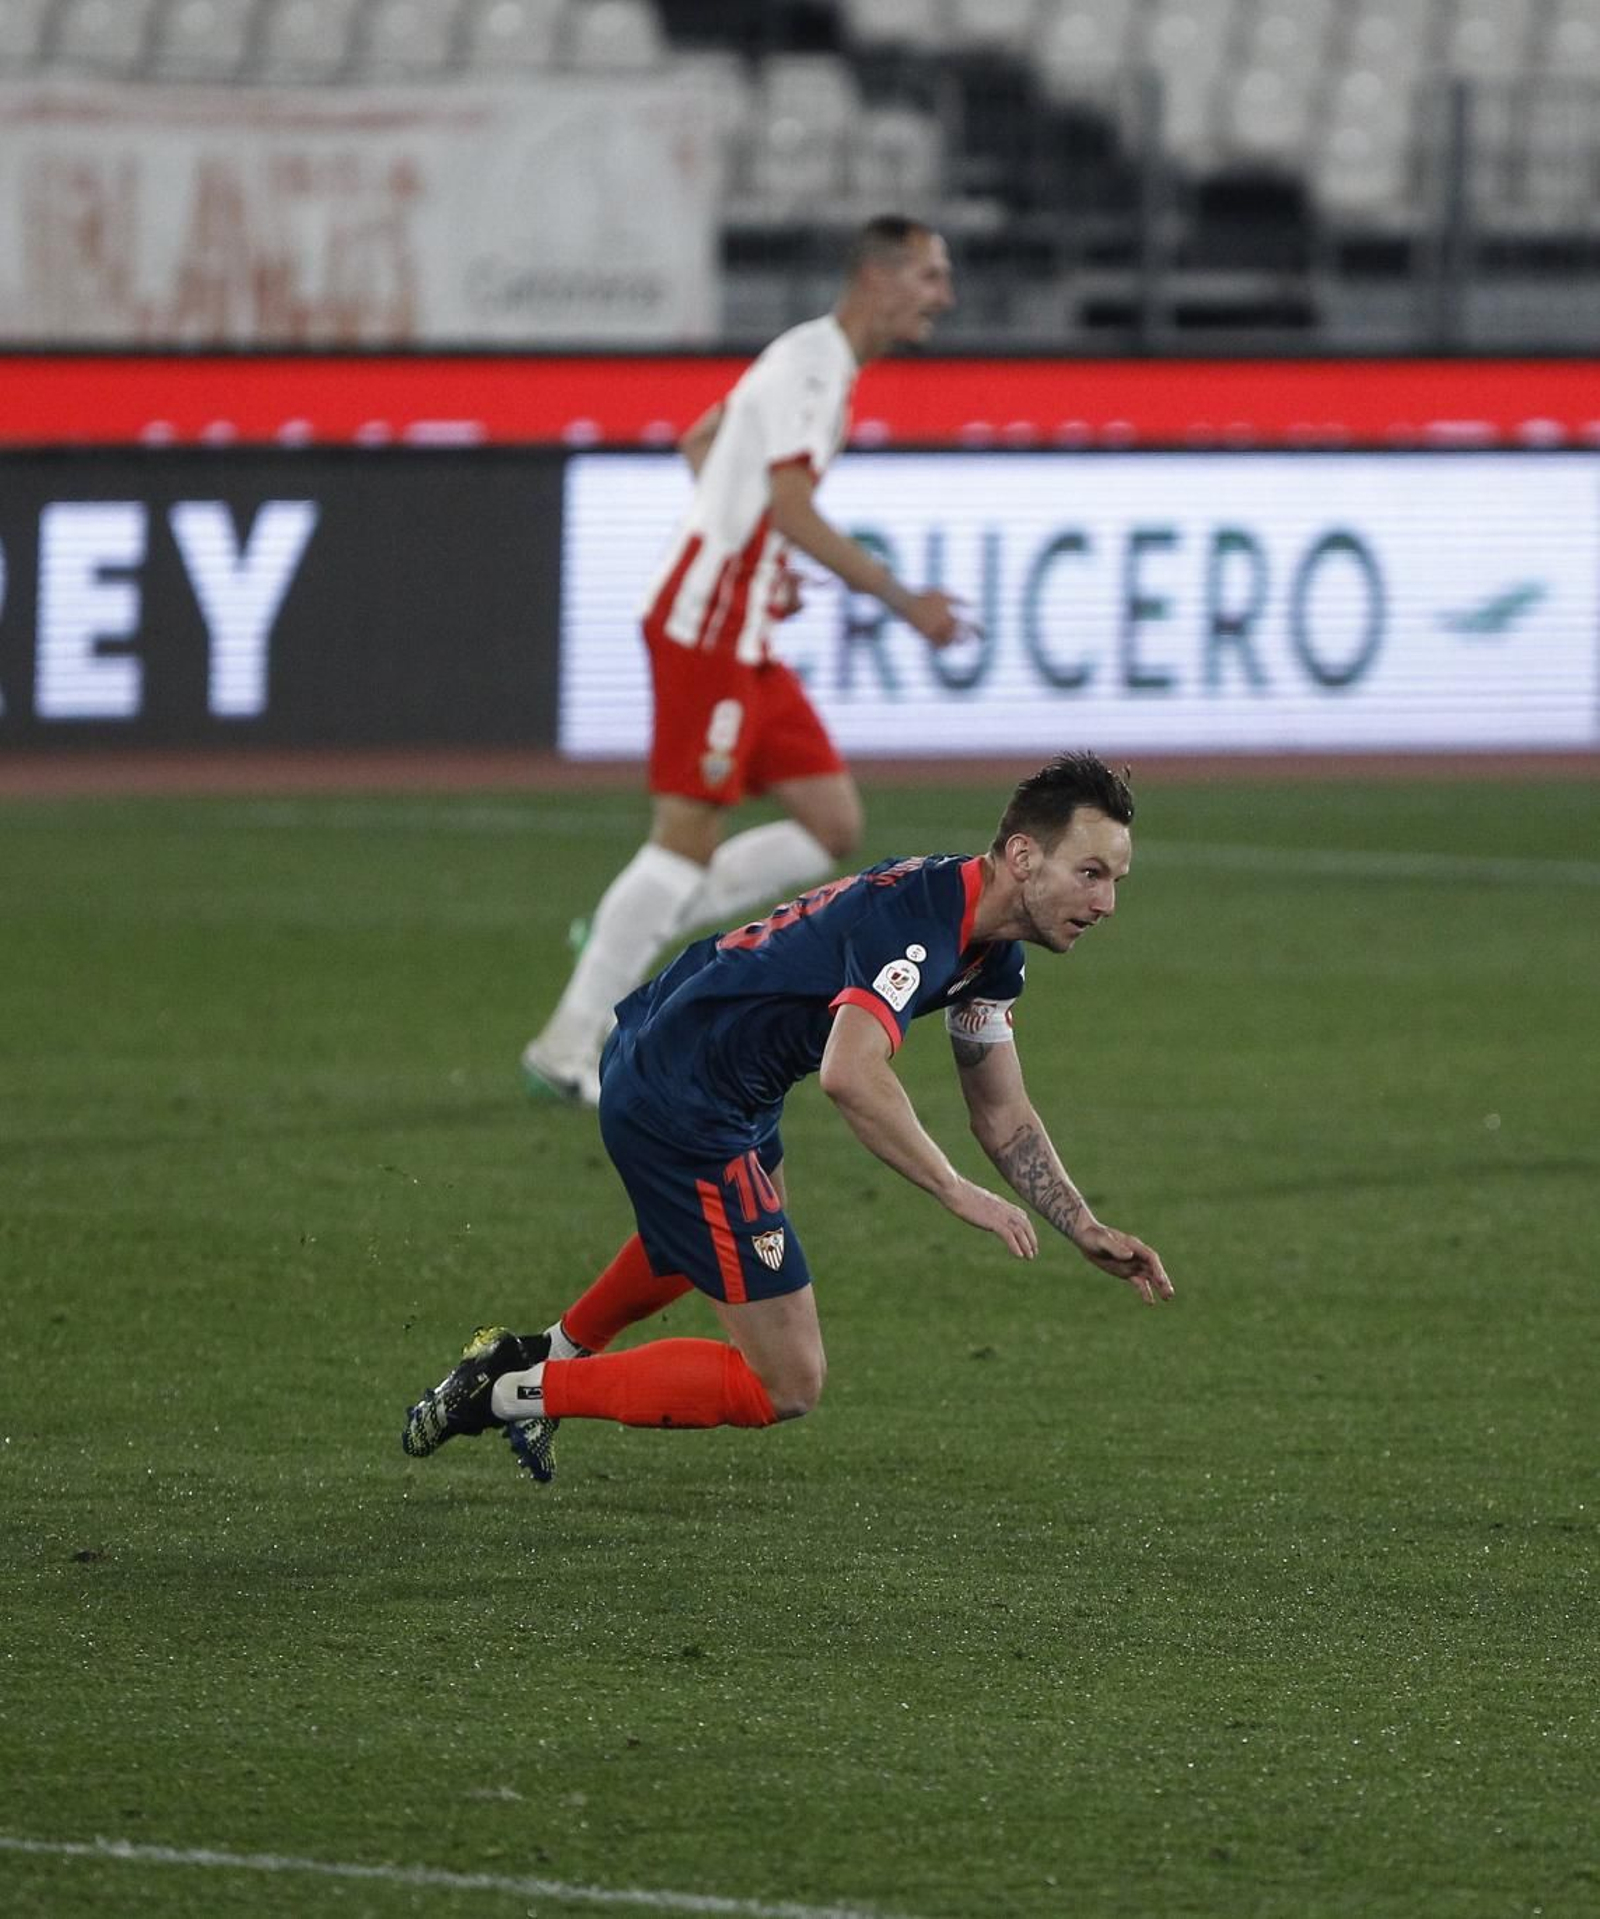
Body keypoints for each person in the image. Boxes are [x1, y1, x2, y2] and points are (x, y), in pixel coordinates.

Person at [403, 753, 1174, 1480]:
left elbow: (1003, 1116)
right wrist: (952, 1189)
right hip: (684, 1095)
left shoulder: (991, 952)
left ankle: (553, 1353)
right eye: (1091, 873)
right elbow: (849, 1073)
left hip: (705, 1057)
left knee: (722, 1237)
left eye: (1116, 879)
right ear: (1022, 856)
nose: (1106, 902)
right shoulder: (920, 921)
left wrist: (1083, 1225)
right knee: (788, 1381)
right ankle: (509, 1391)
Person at [521, 213, 971, 1106]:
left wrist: (760, 560)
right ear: (877, 278)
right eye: (929, 276)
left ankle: (636, 926)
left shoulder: (812, 360)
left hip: (744, 627)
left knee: (831, 823)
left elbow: (701, 441)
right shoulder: (813, 366)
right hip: (709, 625)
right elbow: (792, 503)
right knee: (683, 839)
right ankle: (567, 1045)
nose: (944, 296)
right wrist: (901, 600)